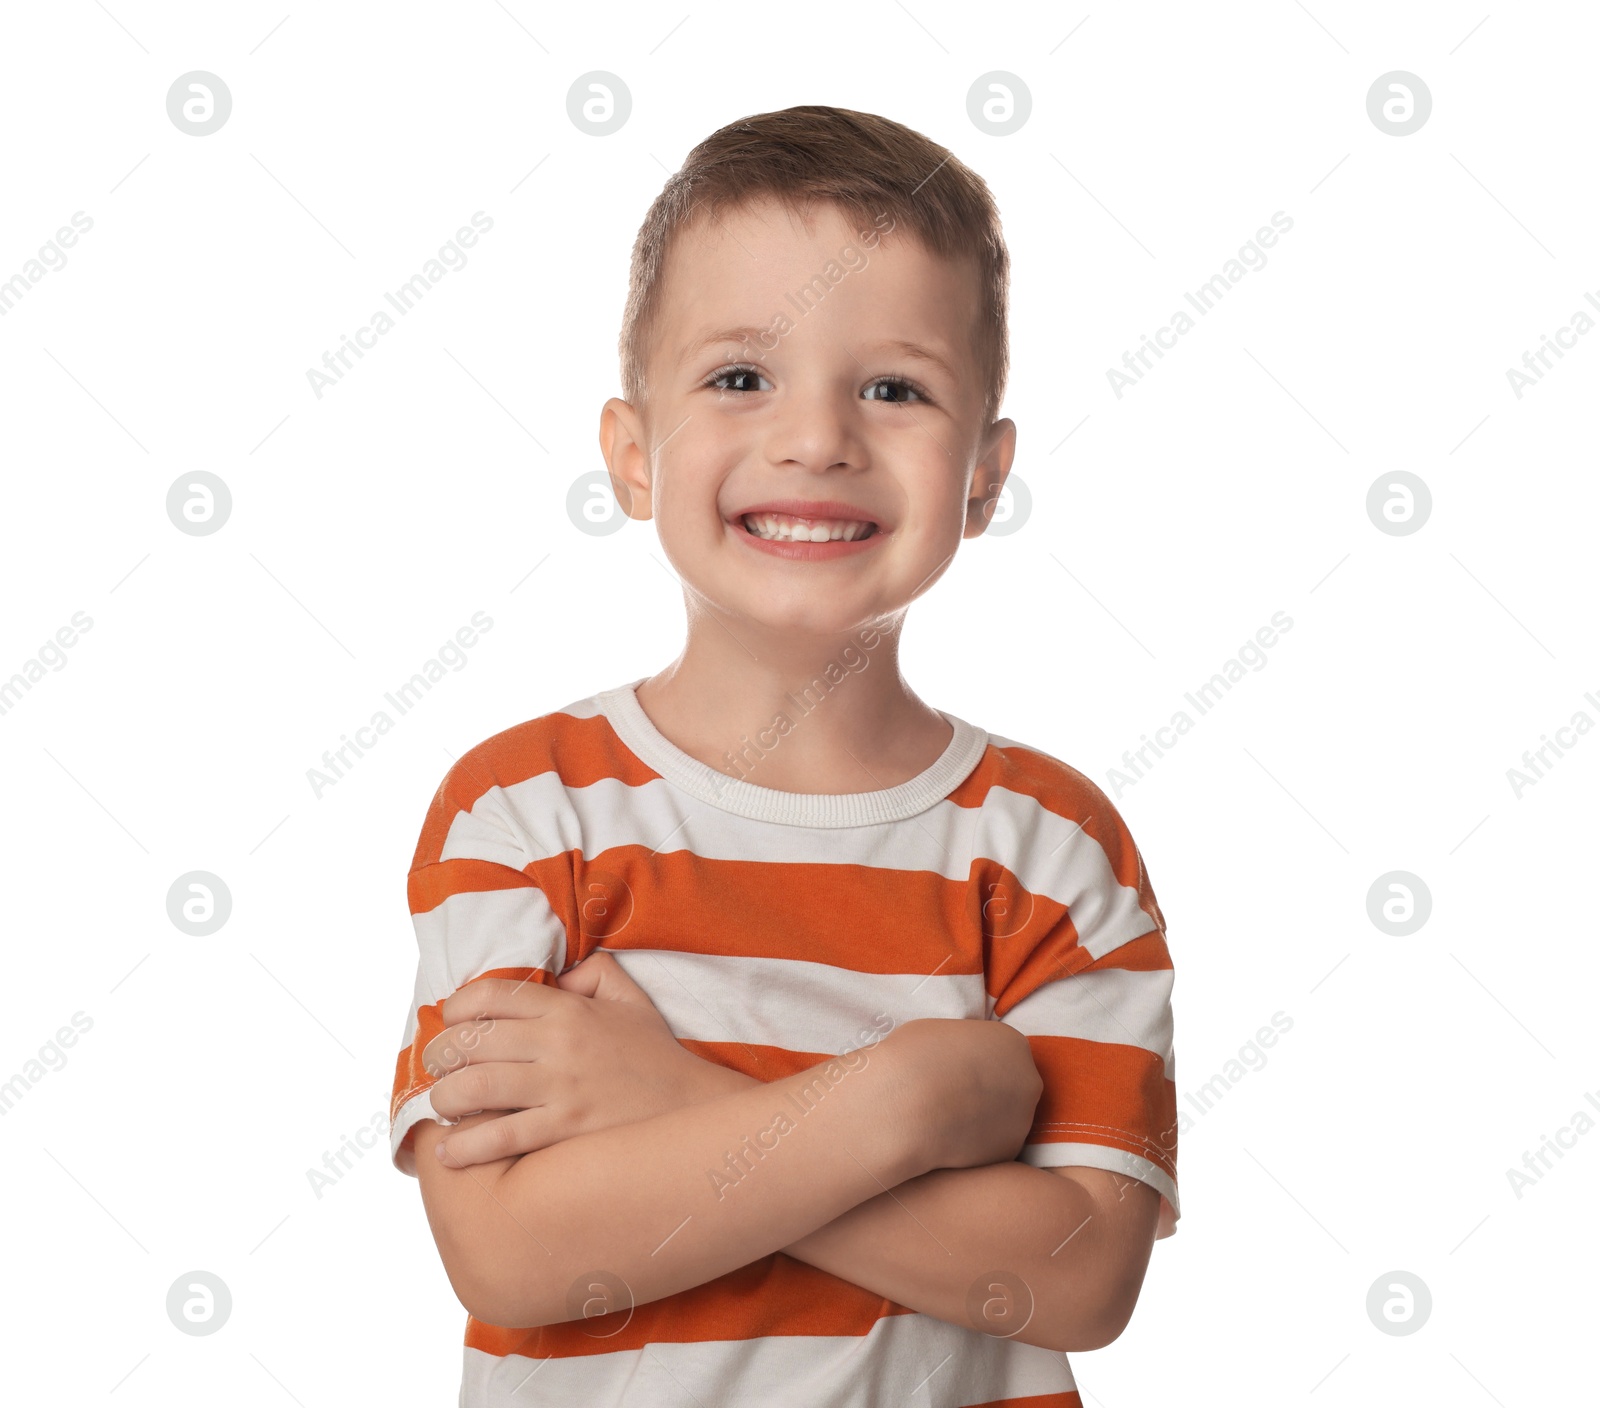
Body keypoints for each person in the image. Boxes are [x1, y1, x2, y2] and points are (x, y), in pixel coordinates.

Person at [389, 103, 1179, 1407]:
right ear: (634, 455)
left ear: (982, 477)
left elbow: (1080, 1282)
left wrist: (665, 1094)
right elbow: (514, 1256)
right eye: (741, 377)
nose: (818, 438)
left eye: (894, 387)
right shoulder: (525, 814)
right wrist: (911, 1103)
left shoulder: (1052, 846)